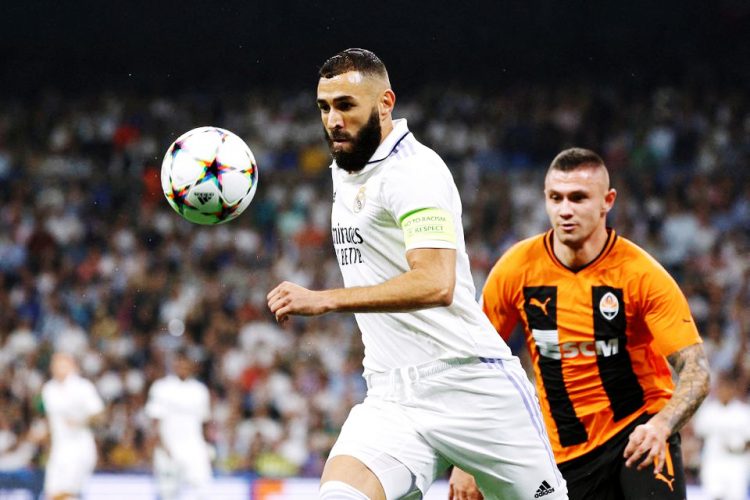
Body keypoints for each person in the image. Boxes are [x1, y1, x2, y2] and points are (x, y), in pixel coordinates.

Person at [267, 48, 567, 500]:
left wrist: (325, 299)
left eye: (346, 105)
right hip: (392, 396)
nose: (332, 120)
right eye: (324, 107)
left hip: (472, 386)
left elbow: (435, 282)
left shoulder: (414, 171)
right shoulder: (347, 167)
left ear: (385, 103)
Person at [450, 147, 711, 499]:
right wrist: (467, 459)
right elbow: (474, 364)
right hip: (564, 452)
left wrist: (662, 425)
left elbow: (696, 369)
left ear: (607, 201)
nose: (565, 210)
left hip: (638, 433)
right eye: (555, 198)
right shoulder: (516, 269)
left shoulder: (641, 274)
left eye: (578, 198)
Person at [145, 347, 213, 500]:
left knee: (202, 489)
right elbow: (155, 421)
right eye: (179, 362)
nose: (182, 366)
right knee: (168, 493)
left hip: (194, 447)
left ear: (191, 365)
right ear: (173, 364)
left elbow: (204, 422)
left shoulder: (200, 390)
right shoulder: (161, 387)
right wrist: (161, 446)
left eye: (185, 363)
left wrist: (206, 445)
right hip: (169, 447)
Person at [41, 352, 105, 500]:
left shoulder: (83, 387)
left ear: (72, 366)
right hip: (59, 450)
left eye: (62, 364)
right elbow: (51, 421)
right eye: (55, 364)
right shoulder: (48, 389)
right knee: (52, 493)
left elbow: (100, 415)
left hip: (79, 448)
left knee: (66, 493)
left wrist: (81, 421)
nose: (57, 367)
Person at [693, 371, 750, 500]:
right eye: (721, 387)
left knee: (736, 496)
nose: (723, 391)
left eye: (727, 388)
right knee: (713, 495)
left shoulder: (744, 412)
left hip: (736, 462)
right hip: (713, 461)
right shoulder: (708, 411)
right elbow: (700, 437)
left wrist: (738, 448)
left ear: (733, 389)